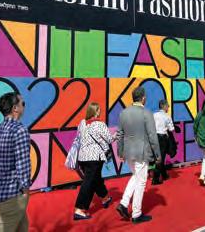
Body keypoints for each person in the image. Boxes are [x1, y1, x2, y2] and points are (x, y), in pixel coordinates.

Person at [0, 92, 31, 232]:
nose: (24, 107)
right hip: (13, 193)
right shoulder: (20, 130)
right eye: (23, 103)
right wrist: (25, 191)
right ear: (15, 108)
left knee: (22, 227)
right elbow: (23, 165)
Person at [116, 87, 161, 224]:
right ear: (143, 98)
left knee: (136, 176)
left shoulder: (123, 113)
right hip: (142, 152)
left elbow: (120, 135)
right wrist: (158, 154)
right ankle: (136, 213)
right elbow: (152, 136)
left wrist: (120, 152)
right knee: (141, 181)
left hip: (128, 152)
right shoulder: (147, 113)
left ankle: (124, 203)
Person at [74, 103, 116, 220]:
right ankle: (80, 208)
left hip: (82, 157)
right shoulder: (100, 124)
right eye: (98, 110)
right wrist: (116, 135)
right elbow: (109, 139)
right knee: (89, 182)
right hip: (94, 157)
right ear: (96, 112)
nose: (100, 112)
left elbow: (79, 137)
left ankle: (105, 198)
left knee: (95, 178)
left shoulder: (82, 123)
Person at [152, 99, 175, 185]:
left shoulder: (154, 115)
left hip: (154, 137)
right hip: (163, 138)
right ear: (164, 106)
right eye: (167, 106)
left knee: (159, 156)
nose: (168, 107)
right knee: (161, 157)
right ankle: (156, 178)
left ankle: (164, 175)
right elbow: (171, 129)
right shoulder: (167, 116)